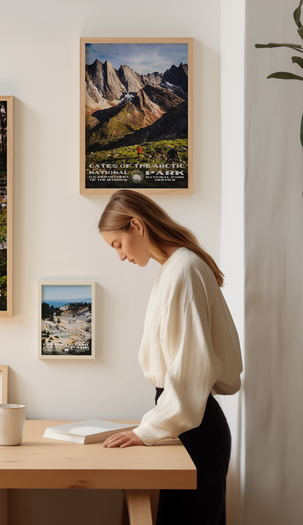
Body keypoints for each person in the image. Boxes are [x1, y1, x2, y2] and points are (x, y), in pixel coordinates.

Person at [98, 189, 242, 525]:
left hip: (195, 427)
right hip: (189, 422)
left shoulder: (183, 271)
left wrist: (148, 429)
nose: (120, 256)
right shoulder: (175, 268)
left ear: (136, 225)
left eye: (118, 244)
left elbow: (192, 368)